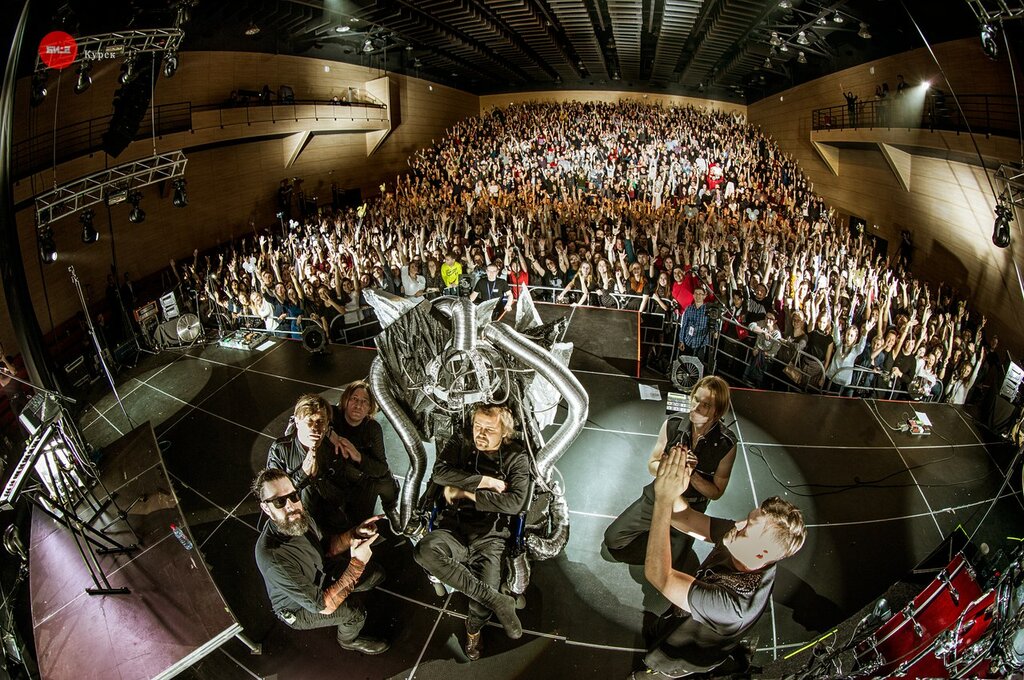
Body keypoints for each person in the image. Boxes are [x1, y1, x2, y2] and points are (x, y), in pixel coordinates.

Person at [631, 448, 806, 678]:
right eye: (747, 519)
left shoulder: (734, 606)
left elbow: (660, 576)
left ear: (761, 554)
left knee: (655, 672)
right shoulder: (744, 544)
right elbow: (686, 518)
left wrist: (663, 499)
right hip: (680, 618)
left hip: (683, 656)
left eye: (747, 528)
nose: (738, 524)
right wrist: (673, 483)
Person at [413, 404, 529, 660]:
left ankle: (473, 630)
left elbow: (514, 503)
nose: (480, 434)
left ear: (505, 432)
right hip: (453, 526)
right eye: (478, 426)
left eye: (489, 429)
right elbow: (439, 473)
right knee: (424, 551)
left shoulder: (516, 456)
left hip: (490, 537)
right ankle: (497, 600)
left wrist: (466, 493)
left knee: (480, 605)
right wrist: (485, 482)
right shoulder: (462, 440)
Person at [252, 468, 389, 655]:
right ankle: (348, 641)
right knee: (355, 612)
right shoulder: (272, 557)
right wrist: (357, 563)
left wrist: (355, 534)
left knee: (375, 574)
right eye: (279, 501)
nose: (291, 506)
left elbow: (327, 548)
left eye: (293, 496)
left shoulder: (300, 518)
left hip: (319, 571)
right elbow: (324, 606)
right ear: (266, 508)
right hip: (300, 607)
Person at [604, 376, 736, 567]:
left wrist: (691, 473)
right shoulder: (673, 424)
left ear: (717, 411)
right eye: (695, 399)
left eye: (705, 404)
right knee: (613, 540)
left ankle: (670, 542)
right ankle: (659, 537)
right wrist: (669, 467)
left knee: (672, 564)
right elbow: (652, 465)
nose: (696, 407)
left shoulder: (726, 444)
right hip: (659, 495)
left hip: (690, 507)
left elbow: (715, 493)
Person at [268, 394, 353, 533]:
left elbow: (341, 495)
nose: (315, 427)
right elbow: (275, 499)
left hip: (326, 520)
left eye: (321, 421)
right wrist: (303, 474)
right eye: (309, 421)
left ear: (327, 425)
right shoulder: (280, 449)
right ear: (297, 422)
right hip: (294, 521)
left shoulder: (332, 450)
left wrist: (318, 478)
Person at [328, 380, 401, 526]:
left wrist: (358, 456)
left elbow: (381, 467)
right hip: (334, 472)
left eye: (364, 401)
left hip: (360, 475)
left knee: (385, 479)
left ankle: (390, 508)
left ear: (369, 408)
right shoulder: (332, 414)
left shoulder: (372, 428)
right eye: (354, 399)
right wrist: (330, 433)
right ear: (346, 400)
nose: (358, 405)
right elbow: (307, 414)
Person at [678, 288, 710, 366]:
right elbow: (684, 325)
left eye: (700, 294)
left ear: (704, 296)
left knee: (697, 366)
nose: (698, 296)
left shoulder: (708, 310)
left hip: (701, 342)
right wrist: (681, 340)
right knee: (685, 364)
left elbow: (714, 325)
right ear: (693, 295)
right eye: (696, 293)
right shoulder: (688, 309)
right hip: (688, 341)